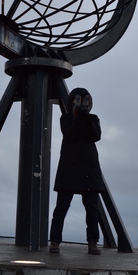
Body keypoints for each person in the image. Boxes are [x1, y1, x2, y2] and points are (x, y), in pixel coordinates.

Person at [49, 87, 104, 255]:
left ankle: (93, 243)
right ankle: (55, 242)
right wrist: (78, 119)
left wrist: (85, 118)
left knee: (92, 211)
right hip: (69, 168)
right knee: (61, 209)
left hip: (89, 170)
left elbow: (95, 136)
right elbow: (70, 135)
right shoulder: (66, 119)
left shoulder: (93, 119)